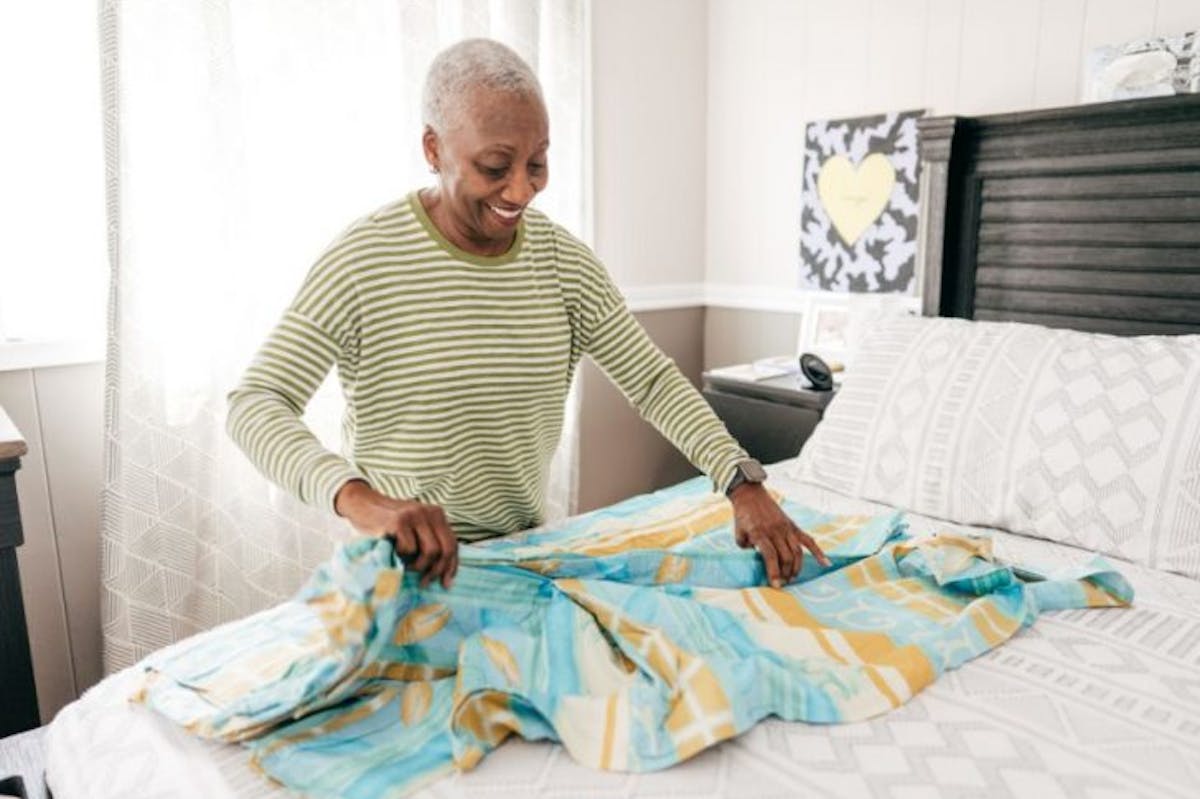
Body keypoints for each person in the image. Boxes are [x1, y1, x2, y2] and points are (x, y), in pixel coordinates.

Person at [226, 38, 828, 594]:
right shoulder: (364, 258)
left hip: (522, 556)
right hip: (401, 570)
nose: (521, 190)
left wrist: (742, 482)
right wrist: (363, 500)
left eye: (537, 162)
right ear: (434, 149)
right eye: (495, 166)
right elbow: (256, 404)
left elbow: (651, 381)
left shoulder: (562, 261)